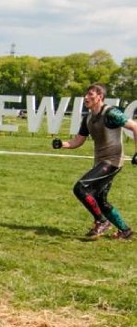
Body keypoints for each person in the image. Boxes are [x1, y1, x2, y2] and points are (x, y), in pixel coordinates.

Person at [52, 83, 137, 240]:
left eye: (91, 94)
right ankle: (125, 231)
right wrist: (62, 144)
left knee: (81, 188)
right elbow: (78, 141)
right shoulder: (88, 118)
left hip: (112, 161)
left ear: (100, 97)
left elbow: (135, 127)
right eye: (86, 94)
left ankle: (101, 222)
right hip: (100, 162)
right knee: (100, 199)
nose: (86, 97)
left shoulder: (111, 113)